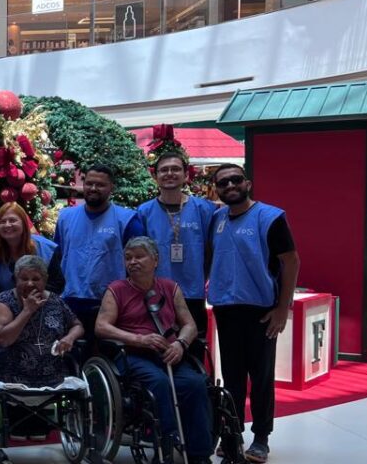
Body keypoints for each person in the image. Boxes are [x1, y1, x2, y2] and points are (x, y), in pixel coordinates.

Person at [208, 164, 299, 463]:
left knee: (261, 377)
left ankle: (261, 438)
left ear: (247, 183)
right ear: (216, 189)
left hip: (261, 311)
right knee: (232, 377)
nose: (230, 186)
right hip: (226, 309)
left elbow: (291, 261)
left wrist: (282, 309)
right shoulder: (217, 219)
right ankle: (232, 436)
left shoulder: (270, 217)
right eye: (223, 182)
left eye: (235, 180)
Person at [96, 237, 212, 464]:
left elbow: (189, 325)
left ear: (155, 260)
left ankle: (199, 453)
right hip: (132, 355)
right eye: (128, 258)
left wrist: (180, 344)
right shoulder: (116, 290)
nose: (133, 262)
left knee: (195, 383)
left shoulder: (170, 287)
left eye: (139, 256)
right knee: (158, 382)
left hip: (169, 352)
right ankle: (166, 444)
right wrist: (139, 339)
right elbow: (101, 327)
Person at [49, 164, 145, 336]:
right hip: (70, 300)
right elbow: (58, 258)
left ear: (111, 187)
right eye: (89, 183)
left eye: (100, 185)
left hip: (111, 302)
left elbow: (139, 265)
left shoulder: (127, 220)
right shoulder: (65, 217)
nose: (93, 188)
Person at [137, 151, 216, 338]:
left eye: (175, 169)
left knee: (193, 347)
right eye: (164, 170)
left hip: (192, 293)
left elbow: (211, 251)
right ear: (155, 176)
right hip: (156, 294)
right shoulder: (144, 212)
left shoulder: (205, 209)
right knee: (159, 347)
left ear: (186, 175)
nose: (169, 173)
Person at [0, 255, 83, 388]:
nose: (30, 284)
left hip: (56, 378)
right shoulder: (4, 302)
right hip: (14, 379)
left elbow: (77, 325)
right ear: (16, 279)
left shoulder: (55, 301)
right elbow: (4, 340)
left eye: (36, 279)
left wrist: (70, 337)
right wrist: (27, 311)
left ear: (45, 280)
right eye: (24, 279)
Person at [0, 202, 58, 303]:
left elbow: (57, 284)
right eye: (2, 221)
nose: (7, 225)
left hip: (42, 303)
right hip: (5, 306)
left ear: (24, 223)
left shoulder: (47, 248)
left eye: (12, 220)